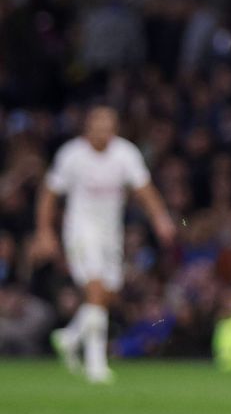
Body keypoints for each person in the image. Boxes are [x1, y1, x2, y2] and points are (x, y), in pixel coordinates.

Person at [33, 105, 177, 384]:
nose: (104, 132)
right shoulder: (72, 155)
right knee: (96, 287)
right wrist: (44, 232)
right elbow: (49, 194)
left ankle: (71, 335)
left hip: (111, 232)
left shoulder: (125, 153)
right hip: (80, 230)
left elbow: (144, 189)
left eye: (109, 126)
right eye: (99, 126)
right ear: (88, 127)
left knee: (109, 292)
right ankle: (95, 363)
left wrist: (161, 218)